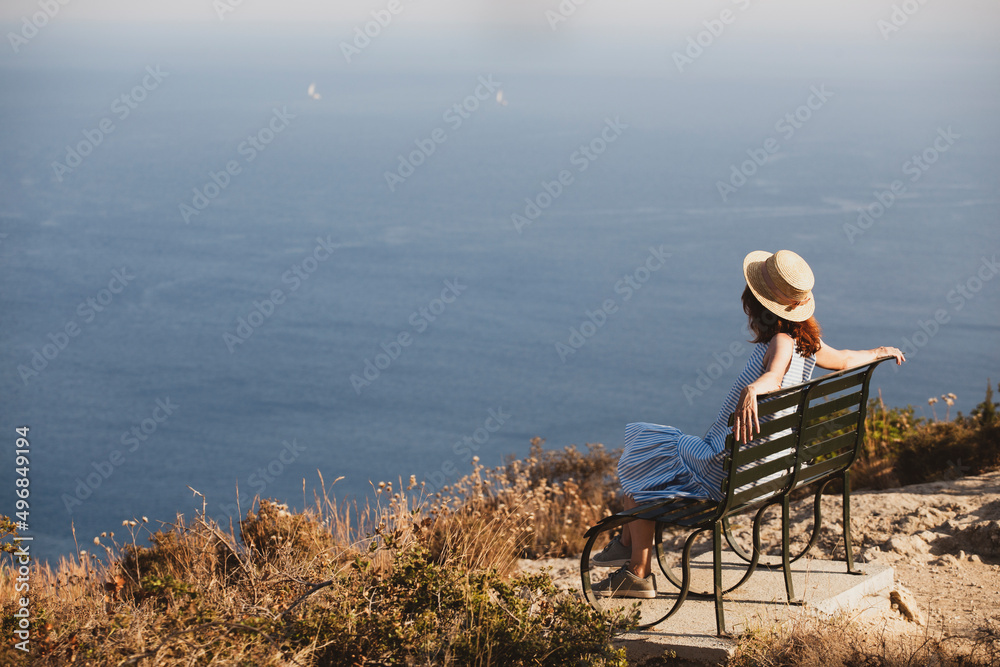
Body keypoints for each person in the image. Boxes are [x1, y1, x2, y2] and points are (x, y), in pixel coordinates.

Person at [590, 249, 906, 599]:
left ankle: (636, 568)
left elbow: (774, 374)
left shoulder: (782, 342)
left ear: (758, 306)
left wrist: (754, 388)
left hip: (725, 472)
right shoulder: (809, 344)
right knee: (651, 459)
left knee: (644, 450)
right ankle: (625, 547)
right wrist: (879, 351)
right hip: (770, 469)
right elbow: (846, 360)